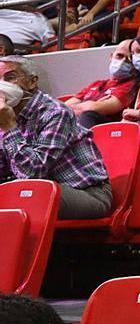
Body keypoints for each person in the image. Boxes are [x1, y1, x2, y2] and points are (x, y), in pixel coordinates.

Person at [0, 55, 112, 219]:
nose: (2, 85)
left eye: (10, 78)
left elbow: (33, 173)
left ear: (32, 82)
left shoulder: (55, 112)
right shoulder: (6, 114)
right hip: (36, 189)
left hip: (86, 193)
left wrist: (9, 127)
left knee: (29, 195)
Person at [62, 39, 140, 129]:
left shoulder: (131, 85)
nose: (122, 61)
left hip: (107, 130)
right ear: (111, 57)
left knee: (88, 115)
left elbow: (93, 109)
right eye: (119, 56)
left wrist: (90, 105)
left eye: (129, 60)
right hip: (75, 126)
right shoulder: (97, 84)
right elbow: (63, 107)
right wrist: (90, 104)